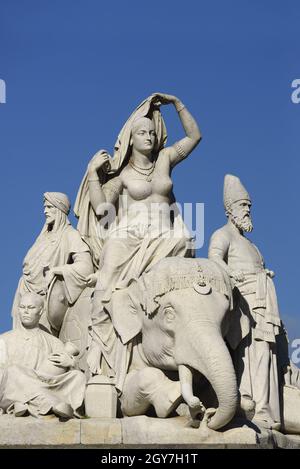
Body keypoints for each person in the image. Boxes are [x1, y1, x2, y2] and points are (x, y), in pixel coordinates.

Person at [74, 93, 202, 391]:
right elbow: (102, 210)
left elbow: (195, 136)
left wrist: (178, 103)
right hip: (127, 237)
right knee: (105, 286)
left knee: (184, 238)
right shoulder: (122, 177)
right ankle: (101, 355)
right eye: (141, 132)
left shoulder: (166, 160)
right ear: (130, 139)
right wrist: (93, 173)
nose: (148, 136)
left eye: (152, 132)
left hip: (163, 235)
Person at [208, 174, 282, 430]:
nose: (248, 209)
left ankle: (268, 411)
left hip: (264, 305)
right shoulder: (222, 234)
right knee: (251, 355)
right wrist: (232, 274)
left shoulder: (251, 244)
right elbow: (213, 258)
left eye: (249, 205)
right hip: (246, 309)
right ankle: (254, 409)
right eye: (242, 205)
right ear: (229, 210)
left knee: (267, 355)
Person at [12, 192, 93, 334]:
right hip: (24, 294)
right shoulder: (42, 238)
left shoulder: (70, 235)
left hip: (45, 299)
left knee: (42, 345)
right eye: (45, 207)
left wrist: (58, 270)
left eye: (50, 207)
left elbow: (86, 267)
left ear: (59, 210)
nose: (45, 211)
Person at [0, 292, 86, 418]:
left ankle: (25, 403)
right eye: (22, 307)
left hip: (47, 383)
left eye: (31, 308)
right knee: (13, 372)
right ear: (18, 310)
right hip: (13, 385)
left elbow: (62, 373)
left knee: (78, 376)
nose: (26, 311)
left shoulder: (53, 342)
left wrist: (71, 364)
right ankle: (47, 402)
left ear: (40, 311)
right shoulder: (4, 340)